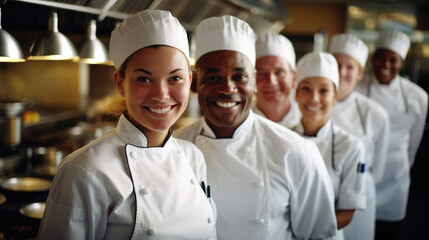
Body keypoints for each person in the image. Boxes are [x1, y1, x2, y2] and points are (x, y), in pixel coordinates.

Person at [38, 10, 216, 240]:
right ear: (120, 83)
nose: (161, 94)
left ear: (190, 81)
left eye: (175, 78)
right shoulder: (85, 171)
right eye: (144, 79)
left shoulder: (193, 157)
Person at [175, 15, 338, 240]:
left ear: (253, 82)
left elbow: (321, 236)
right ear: (194, 83)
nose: (227, 88)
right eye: (213, 77)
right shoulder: (174, 149)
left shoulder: (296, 152)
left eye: (239, 77)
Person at [355, 30, 428, 239]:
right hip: (363, 172)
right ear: (372, 59)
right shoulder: (358, 89)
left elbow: (414, 141)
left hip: (396, 176)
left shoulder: (418, 97)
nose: (385, 64)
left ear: (402, 62)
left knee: (390, 231)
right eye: (380, 57)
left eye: (393, 59)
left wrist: (403, 163)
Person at [292, 51, 366, 240]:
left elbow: (347, 212)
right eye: (306, 89)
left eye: (324, 90)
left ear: (334, 97)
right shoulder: (283, 138)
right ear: (296, 94)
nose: (314, 98)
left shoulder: (351, 146)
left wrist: (306, 234)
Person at [329, 33, 390, 240]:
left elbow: (378, 168)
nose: (341, 72)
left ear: (360, 74)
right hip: (322, 194)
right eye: (336, 64)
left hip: (359, 195)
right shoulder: (311, 105)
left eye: (349, 67)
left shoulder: (375, 113)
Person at [253, 32, 301, 129]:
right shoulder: (241, 125)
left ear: (294, 78)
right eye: (261, 73)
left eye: (279, 72)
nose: (271, 81)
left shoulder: (306, 123)